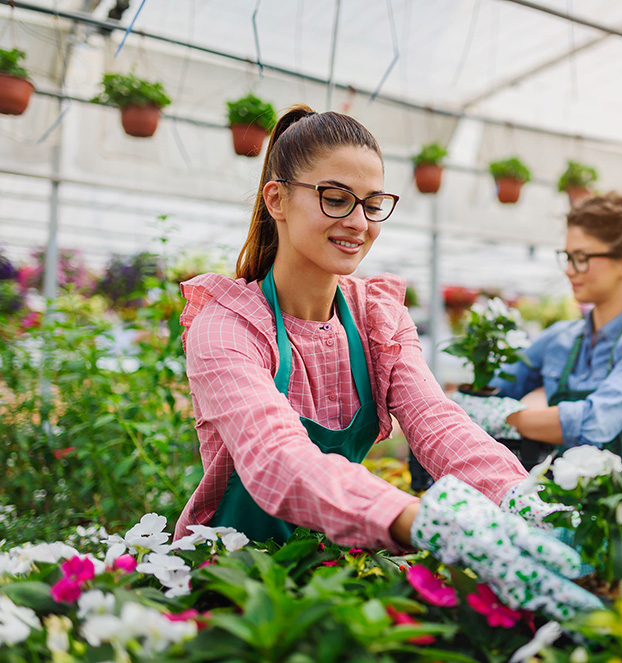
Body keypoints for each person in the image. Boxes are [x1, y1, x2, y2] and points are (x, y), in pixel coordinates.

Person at [172, 105, 599, 619]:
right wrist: (420, 518)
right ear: (277, 198)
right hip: (230, 588)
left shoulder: (376, 317)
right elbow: (275, 457)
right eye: (335, 199)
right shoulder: (228, 325)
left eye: (373, 204)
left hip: (328, 572)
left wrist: (520, 498)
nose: (357, 222)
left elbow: (436, 422)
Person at [491, 189, 622, 472]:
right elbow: (496, 387)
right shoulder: (560, 338)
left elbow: (594, 422)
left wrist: (499, 418)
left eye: (582, 257)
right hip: (562, 504)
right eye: (567, 257)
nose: (570, 270)